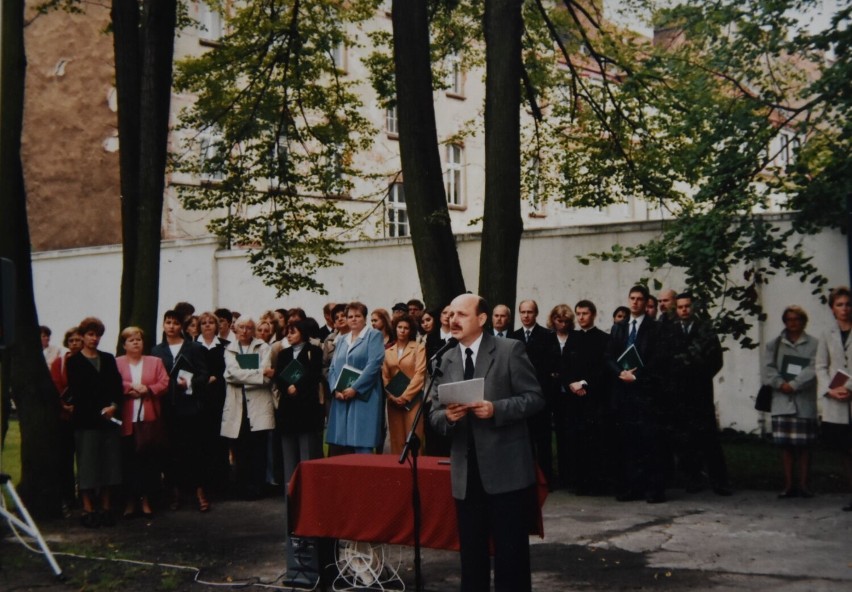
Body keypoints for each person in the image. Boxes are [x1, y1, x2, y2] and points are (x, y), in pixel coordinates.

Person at [429, 294, 545, 592]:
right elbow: (433, 414)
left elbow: (534, 398)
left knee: (511, 557)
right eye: (451, 314)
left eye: (461, 315)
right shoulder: (444, 358)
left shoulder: (509, 350)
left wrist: (497, 409)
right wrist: (449, 417)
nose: (453, 320)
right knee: (472, 557)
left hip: (506, 472)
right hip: (466, 476)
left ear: (481, 319)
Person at [606, 285, 667, 503]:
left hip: (646, 392)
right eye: (632, 298)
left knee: (649, 442)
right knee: (627, 442)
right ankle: (630, 487)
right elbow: (609, 356)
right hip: (623, 391)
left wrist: (638, 376)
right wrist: (620, 372)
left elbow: (659, 360)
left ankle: (653, 489)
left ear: (645, 302)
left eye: (639, 299)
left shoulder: (656, 328)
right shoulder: (619, 328)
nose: (635, 302)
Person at [667, 293, 731, 496]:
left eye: (687, 306)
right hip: (679, 391)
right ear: (676, 309)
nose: (684, 310)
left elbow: (716, 359)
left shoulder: (705, 331)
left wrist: (701, 376)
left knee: (708, 437)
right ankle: (691, 479)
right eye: (680, 307)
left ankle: (719, 481)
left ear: (693, 308)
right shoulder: (671, 331)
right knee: (685, 437)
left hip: (701, 390)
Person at [151, 310, 212, 512]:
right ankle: (174, 493)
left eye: (175, 323)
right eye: (168, 322)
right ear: (163, 325)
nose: (171, 326)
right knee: (171, 452)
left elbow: (204, 374)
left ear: (181, 326)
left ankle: (200, 491)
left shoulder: (193, 347)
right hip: (168, 407)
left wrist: (191, 383)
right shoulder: (157, 351)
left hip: (190, 406)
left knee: (194, 450)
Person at [66, 317, 124, 527]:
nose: (94, 339)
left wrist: (113, 407)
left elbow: (117, 386)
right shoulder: (73, 361)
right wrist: (98, 410)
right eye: (90, 334)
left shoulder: (108, 359)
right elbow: (79, 391)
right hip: (86, 421)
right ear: (82, 336)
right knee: (88, 465)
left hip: (109, 421)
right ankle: (88, 508)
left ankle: (106, 508)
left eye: (97, 335)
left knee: (109, 465)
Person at [764, 305, 818, 498]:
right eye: (789, 319)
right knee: (785, 446)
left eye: (797, 319)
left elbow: (814, 368)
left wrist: (795, 384)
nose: (793, 323)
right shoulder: (775, 344)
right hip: (782, 400)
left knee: (804, 447)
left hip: (803, 400)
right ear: (784, 322)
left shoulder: (814, 344)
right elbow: (768, 369)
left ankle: (803, 485)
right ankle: (788, 485)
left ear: (804, 322)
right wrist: (781, 384)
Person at [116, 327, 170, 518]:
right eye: (131, 340)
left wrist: (147, 389)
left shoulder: (155, 362)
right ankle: (130, 502)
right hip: (127, 420)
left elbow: (164, 382)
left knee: (149, 462)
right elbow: (113, 382)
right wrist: (130, 387)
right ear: (124, 345)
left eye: (138, 339)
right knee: (128, 461)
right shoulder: (117, 363)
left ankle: (147, 501)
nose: (136, 342)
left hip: (148, 419)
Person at [222, 317, 276, 499]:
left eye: (249, 328)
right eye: (241, 327)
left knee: (258, 448)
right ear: (235, 329)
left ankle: (257, 487)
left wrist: (245, 375)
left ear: (254, 330)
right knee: (239, 447)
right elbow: (230, 374)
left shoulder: (264, 347)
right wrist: (259, 372)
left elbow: (268, 377)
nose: (245, 331)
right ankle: (240, 487)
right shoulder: (229, 349)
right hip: (238, 403)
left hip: (258, 403)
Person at [564, 300, 612, 494]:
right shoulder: (572, 338)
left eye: (585, 313)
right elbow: (565, 364)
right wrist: (571, 383)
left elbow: (603, 368)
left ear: (593, 314)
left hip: (594, 398)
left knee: (594, 440)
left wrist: (584, 383)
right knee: (577, 440)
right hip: (574, 397)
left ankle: (596, 483)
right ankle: (579, 482)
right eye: (578, 313)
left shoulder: (603, 339)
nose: (581, 317)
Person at [510, 299, 559, 487]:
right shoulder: (513, 337)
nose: (526, 316)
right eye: (522, 312)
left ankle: (546, 479)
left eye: (529, 312)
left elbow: (552, 367)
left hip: (541, 395)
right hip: (520, 396)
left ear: (536, 313)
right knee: (524, 440)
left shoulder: (547, 335)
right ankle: (527, 479)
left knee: (543, 440)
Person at [326, 302, 385, 454]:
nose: (353, 319)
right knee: (341, 447)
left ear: (365, 318)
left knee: (362, 443)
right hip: (341, 397)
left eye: (357, 316)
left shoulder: (373, 335)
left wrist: (355, 388)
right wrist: (335, 389)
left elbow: (373, 365)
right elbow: (332, 368)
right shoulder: (342, 340)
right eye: (350, 316)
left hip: (363, 396)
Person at [274, 319, 324, 484]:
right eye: (287, 332)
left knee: (306, 450)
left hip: (306, 407)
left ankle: (307, 487)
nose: (289, 335)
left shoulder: (314, 351)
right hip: (288, 408)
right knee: (288, 452)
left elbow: (314, 374)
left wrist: (298, 387)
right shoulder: (283, 353)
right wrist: (287, 387)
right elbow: (279, 376)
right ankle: (290, 489)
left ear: (303, 333)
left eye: (293, 331)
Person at [815, 286, 852, 511]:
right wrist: (830, 389)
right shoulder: (827, 334)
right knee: (846, 450)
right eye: (839, 305)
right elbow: (820, 366)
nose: (844, 309)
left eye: (848, 304)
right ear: (832, 309)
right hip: (837, 400)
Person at [50, 327, 84, 514]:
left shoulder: (88, 361)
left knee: (85, 457)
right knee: (65, 458)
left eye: (78, 340)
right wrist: (64, 405)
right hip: (64, 416)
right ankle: (68, 496)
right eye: (71, 340)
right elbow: (55, 385)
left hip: (84, 416)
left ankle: (86, 494)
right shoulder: (59, 362)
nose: (75, 343)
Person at [196, 311, 231, 493]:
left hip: (220, 397)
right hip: (201, 399)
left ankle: (222, 484)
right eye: (204, 323)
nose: (208, 325)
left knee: (220, 441)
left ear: (217, 326)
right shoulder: (193, 346)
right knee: (203, 442)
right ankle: (206, 485)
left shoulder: (226, 346)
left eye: (211, 322)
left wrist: (217, 377)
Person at [382, 314, 427, 455]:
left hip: (413, 400)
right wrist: (392, 396)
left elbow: (420, 374)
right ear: (395, 329)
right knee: (396, 438)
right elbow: (385, 376)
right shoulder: (387, 351)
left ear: (411, 330)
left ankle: (416, 469)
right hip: (393, 401)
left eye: (406, 328)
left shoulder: (418, 348)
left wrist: (406, 396)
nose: (402, 330)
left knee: (414, 435)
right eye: (399, 327)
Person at [547, 304, 574, 489]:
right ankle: (557, 476)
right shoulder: (548, 339)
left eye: (565, 321)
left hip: (571, 393)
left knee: (569, 434)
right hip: (553, 392)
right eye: (559, 320)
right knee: (555, 434)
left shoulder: (575, 338)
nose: (562, 324)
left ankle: (570, 475)